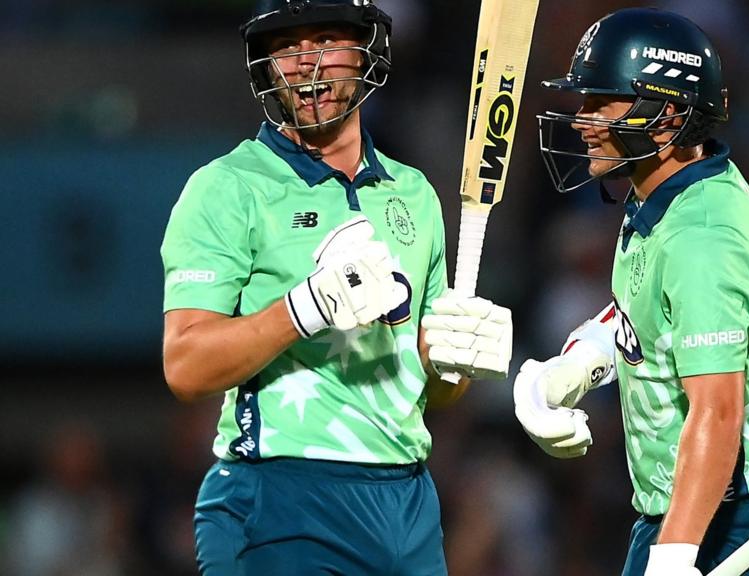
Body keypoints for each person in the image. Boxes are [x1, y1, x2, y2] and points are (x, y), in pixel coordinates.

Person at [159, 1, 512, 574]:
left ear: (365, 50)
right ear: (265, 63)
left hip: (407, 503)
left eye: (325, 39)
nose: (306, 62)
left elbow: (427, 386)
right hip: (279, 495)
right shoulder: (228, 188)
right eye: (287, 45)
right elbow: (185, 364)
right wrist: (303, 308)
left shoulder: (414, 192)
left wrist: (454, 360)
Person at [515, 8, 749, 576]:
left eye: (601, 101)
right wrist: (579, 363)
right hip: (680, 516)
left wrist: (674, 556)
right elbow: (654, 308)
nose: (582, 120)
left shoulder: (703, 237)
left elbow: (719, 413)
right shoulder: (663, 193)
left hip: (733, 524)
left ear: (666, 113)